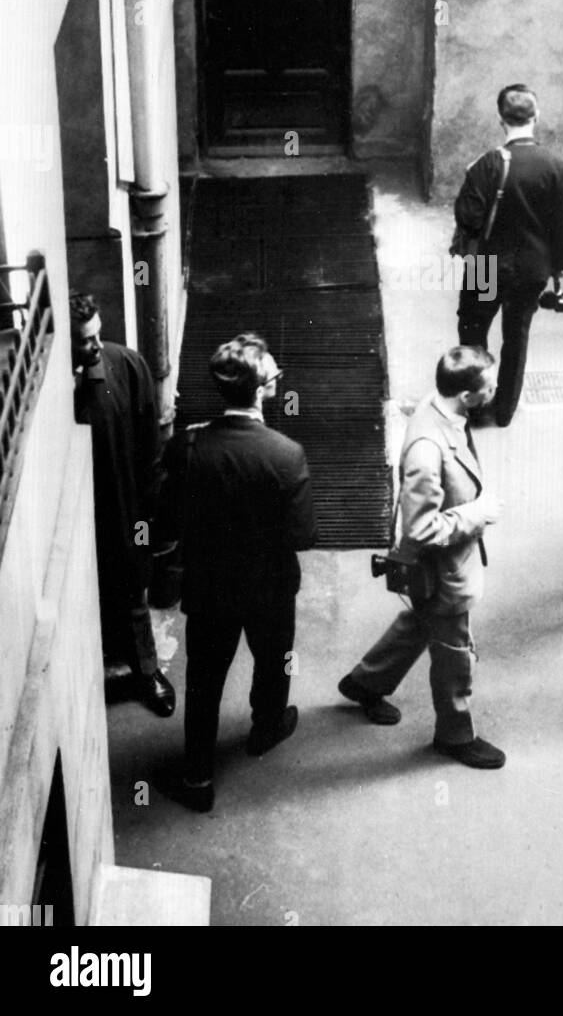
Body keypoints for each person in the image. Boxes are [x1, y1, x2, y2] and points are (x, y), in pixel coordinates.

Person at [158, 334, 316, 811]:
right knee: (274, 661)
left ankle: (197, 778)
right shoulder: (287, 454)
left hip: (209, 588)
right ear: (264, 389)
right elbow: (303, 536)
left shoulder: (188, 446)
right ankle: (266, 727)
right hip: (270, 588)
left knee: (204, 680)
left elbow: (164, 521)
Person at [338, 347, 506, 768]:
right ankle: (454, 734)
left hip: (436, 572)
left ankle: (365, 682)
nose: (496, 388)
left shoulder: (439, 408)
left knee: (420, 622)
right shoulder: (429, 449)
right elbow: (420, 528)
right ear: (467, 395)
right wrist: (475, 514)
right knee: (454, 653)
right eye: (490, 385)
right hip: (444, 570)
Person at [70, 293, 175, 718]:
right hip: (76, 516)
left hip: (122, 505)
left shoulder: (127, 366)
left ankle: (144, 670)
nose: (96, 345)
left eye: (97, 334)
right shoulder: (57, 392)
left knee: (132, 584)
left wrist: (150, 512)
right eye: (85, 341)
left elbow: (151, 445)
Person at [453, 86, 563, 427]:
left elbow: (468, 217)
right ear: (536, 118)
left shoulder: (487, 165)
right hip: (532, 267)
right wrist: (559, 266)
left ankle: (475, 403)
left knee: (474, 328)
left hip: (486, 266)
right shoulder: (556, 166)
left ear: (500, 119)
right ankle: (505, 410)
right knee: (516, 335)